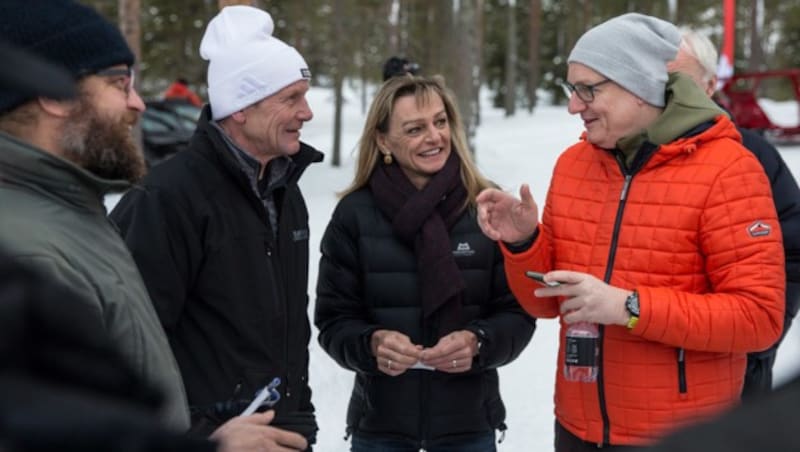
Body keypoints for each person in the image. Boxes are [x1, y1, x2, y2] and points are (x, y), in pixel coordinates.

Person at [0, 2, 308, 451]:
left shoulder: (78, 216)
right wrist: (206, 443)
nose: (139, 103)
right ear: (55, 94)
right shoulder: (27, 249)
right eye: (118, 84)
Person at [475, 13, 785, 450]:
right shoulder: (573, 165)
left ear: (639, 88)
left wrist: (630, 307)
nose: (573, 105)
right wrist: (524, 242)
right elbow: (547, 306)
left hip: (684, 435)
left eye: (588, 89)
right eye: (571, 88)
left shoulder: (728, 171)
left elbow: (759, 318)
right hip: (578, 429)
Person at [110, 5, 322, 450]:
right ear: (241, 107)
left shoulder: (285, 189)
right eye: (292, 98)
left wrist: (300, 417)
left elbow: (287, 329)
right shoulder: (167, 200)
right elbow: (124, 348)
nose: (307, 113)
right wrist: (200, 437)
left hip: (280, 434)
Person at [315, 75, 536, 451]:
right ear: (383, 140)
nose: (434, 137)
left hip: (468, 428)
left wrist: (478, 342)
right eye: (415, 129)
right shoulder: (354, 216)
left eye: (440, 121)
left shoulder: (486, 208)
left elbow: (518, 313)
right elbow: (333, 321)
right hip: (380, 429)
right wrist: (372, 344)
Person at [666, 29, 800, 400]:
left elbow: (793, 249)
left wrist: (760, 344)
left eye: (679, 80)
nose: (668, 92)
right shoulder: (625, 155)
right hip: (643, 381)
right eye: (657, 80)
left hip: (735, 377)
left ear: (709, 86)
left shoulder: (751, 155)